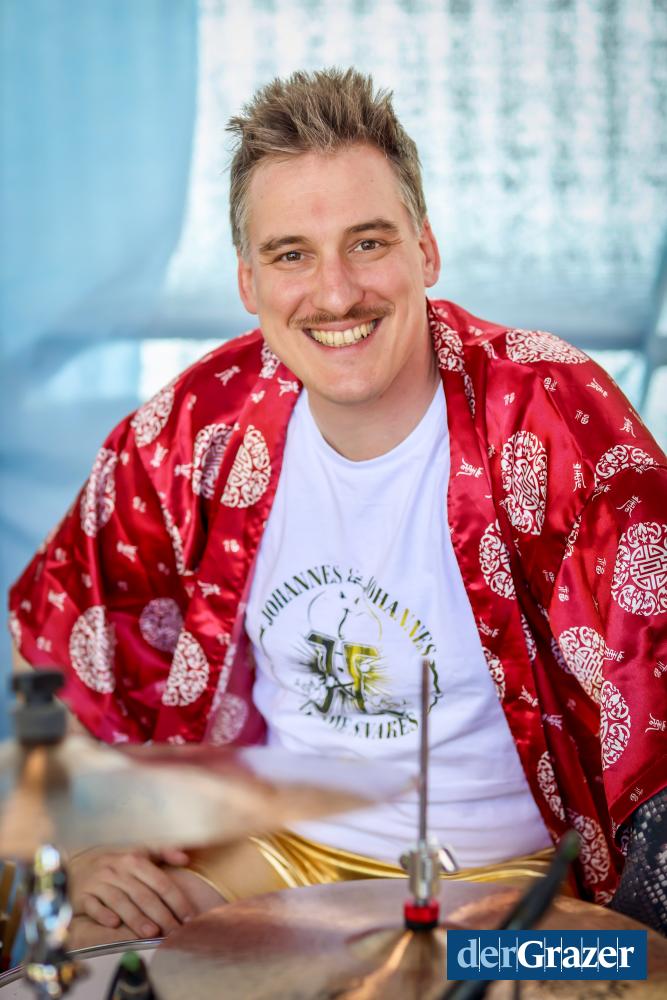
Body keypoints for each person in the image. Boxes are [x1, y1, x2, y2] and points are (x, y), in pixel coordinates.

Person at [8, 68, 667, 947]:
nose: (333, 293)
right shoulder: (196, 430)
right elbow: (61, 657)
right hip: (271, 850)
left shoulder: (550, 413)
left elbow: (653, 685)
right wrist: (82, 853)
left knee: (600, 974)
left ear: (425, 251)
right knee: (76, 950)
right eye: (291, 255)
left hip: (500, 875)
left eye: (367, 242)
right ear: (248, 282)